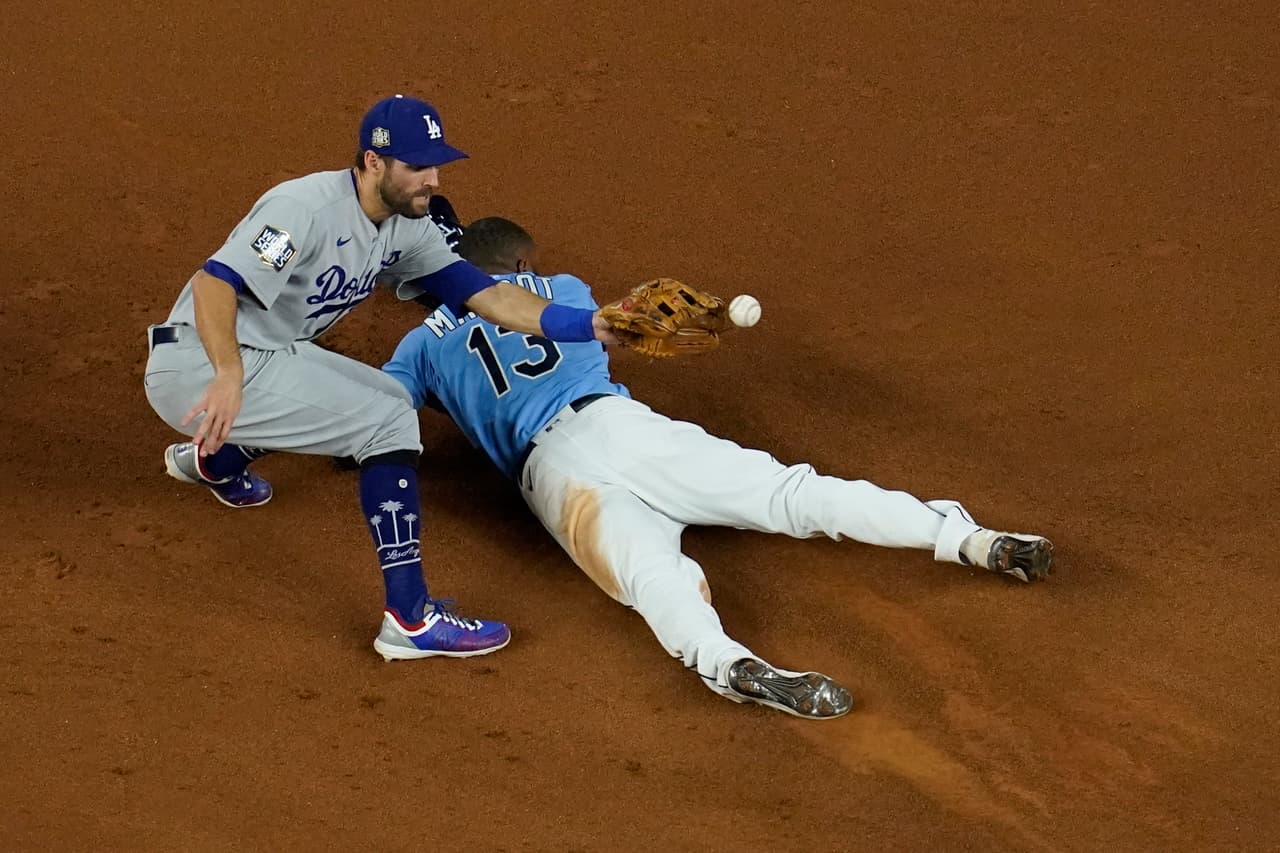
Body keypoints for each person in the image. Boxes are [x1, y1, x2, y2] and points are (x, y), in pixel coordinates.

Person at [379, 215, 1054, 720]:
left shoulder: (420, 344)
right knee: (791, 494)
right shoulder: (561, 286)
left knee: (651, 575)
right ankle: (971, 540)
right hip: (623, 428)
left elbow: (376, 417)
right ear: (522, 260)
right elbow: (593, 325)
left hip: (552, 478)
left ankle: (729, 662)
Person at [142, 95, 618, 662]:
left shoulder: (407, 228)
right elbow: (213, 286)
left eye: (436, 164)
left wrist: (590, 323)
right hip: (200, 364)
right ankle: (409, 620)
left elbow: (490, 296)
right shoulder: (303, 210)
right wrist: (227, 373)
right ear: (373, 163)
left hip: (265, 354)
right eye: (417, 166)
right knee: (387, 420)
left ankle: (211, 462)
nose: (432, 179)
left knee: (385, 396)